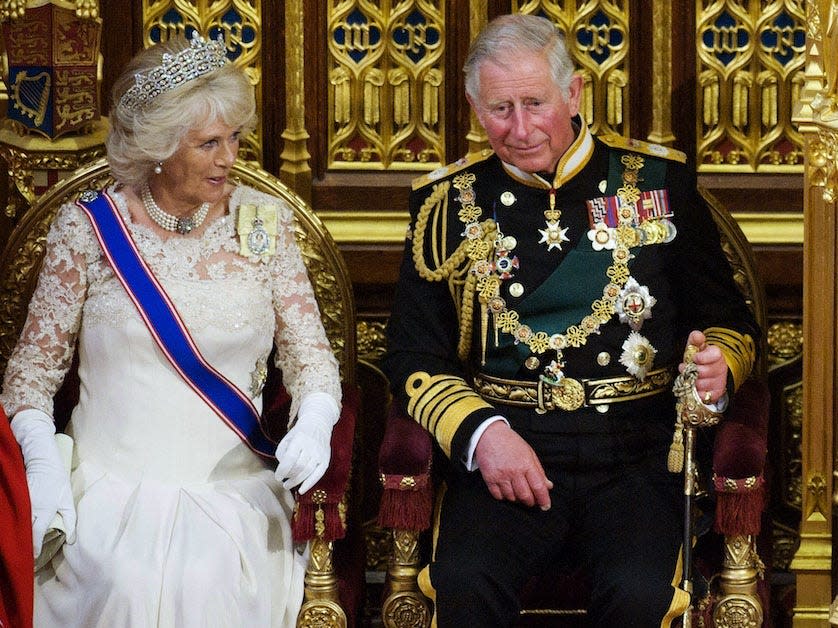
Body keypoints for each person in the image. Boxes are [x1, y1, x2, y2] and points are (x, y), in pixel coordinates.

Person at [383, 13, 759, 627]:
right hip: (509, 454)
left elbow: (731, 323)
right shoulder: (445, 205)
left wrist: (717, 364)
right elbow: (413, 356)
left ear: (576, 92)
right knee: (464, 584)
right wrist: (485, 436)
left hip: (633, 457)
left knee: (641, 596)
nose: (522, 128)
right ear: (476, 108)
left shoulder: (656, 184)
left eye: (536, 103)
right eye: (499, 109)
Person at [0, 32, 342, 627]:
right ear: (158, 147)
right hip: (104, 495)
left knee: (208, 581)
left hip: (233, 494)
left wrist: (314, 422)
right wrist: (43, 466)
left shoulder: (264, 224)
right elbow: (28, 380)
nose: (229, 157)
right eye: (209, 143)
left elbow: (312, 360)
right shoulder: (87, 231)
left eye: (234, 137)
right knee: (123, 581)